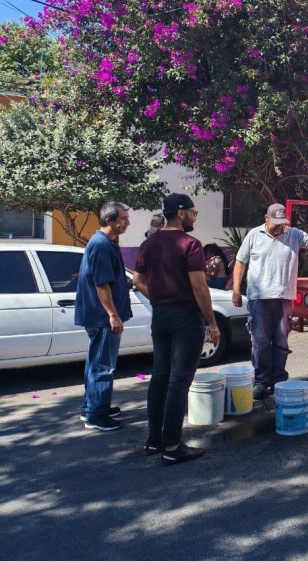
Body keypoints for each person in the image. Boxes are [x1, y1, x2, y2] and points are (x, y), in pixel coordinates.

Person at [133, 193, 221, 466]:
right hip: (185, 319)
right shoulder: (190, 244)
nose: (195, 217)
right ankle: (172, 446)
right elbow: (199, 286)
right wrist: (213, 323)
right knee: (179, 381)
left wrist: (159, 298)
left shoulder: (150, 243)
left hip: (160, 317)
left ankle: (153, 440)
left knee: (160, 377)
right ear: (181, 213)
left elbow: (138, 281)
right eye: (194, 212)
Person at [232, 203, 308, 399]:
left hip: (283, 298)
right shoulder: (254, 235)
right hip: (259, 298)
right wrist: (236, 289)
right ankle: (261, 381)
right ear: (266, 218)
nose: (280, 227)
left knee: (280, 341)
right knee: (260, 341)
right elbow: (240, 262)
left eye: (283, 223)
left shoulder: (294, 234)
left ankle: (278, 380)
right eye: (276, 223)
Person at [76, 201, 133, 431]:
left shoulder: (107, 243)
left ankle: (91, 406)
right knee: (102, 365)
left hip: (99, 315)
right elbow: (102, 284)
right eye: (123, 218)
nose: (127, 222)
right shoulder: (100, 244)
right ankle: (96, 416)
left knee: (95, 362)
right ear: (109, 220)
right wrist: (112, 314)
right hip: (102, 317)